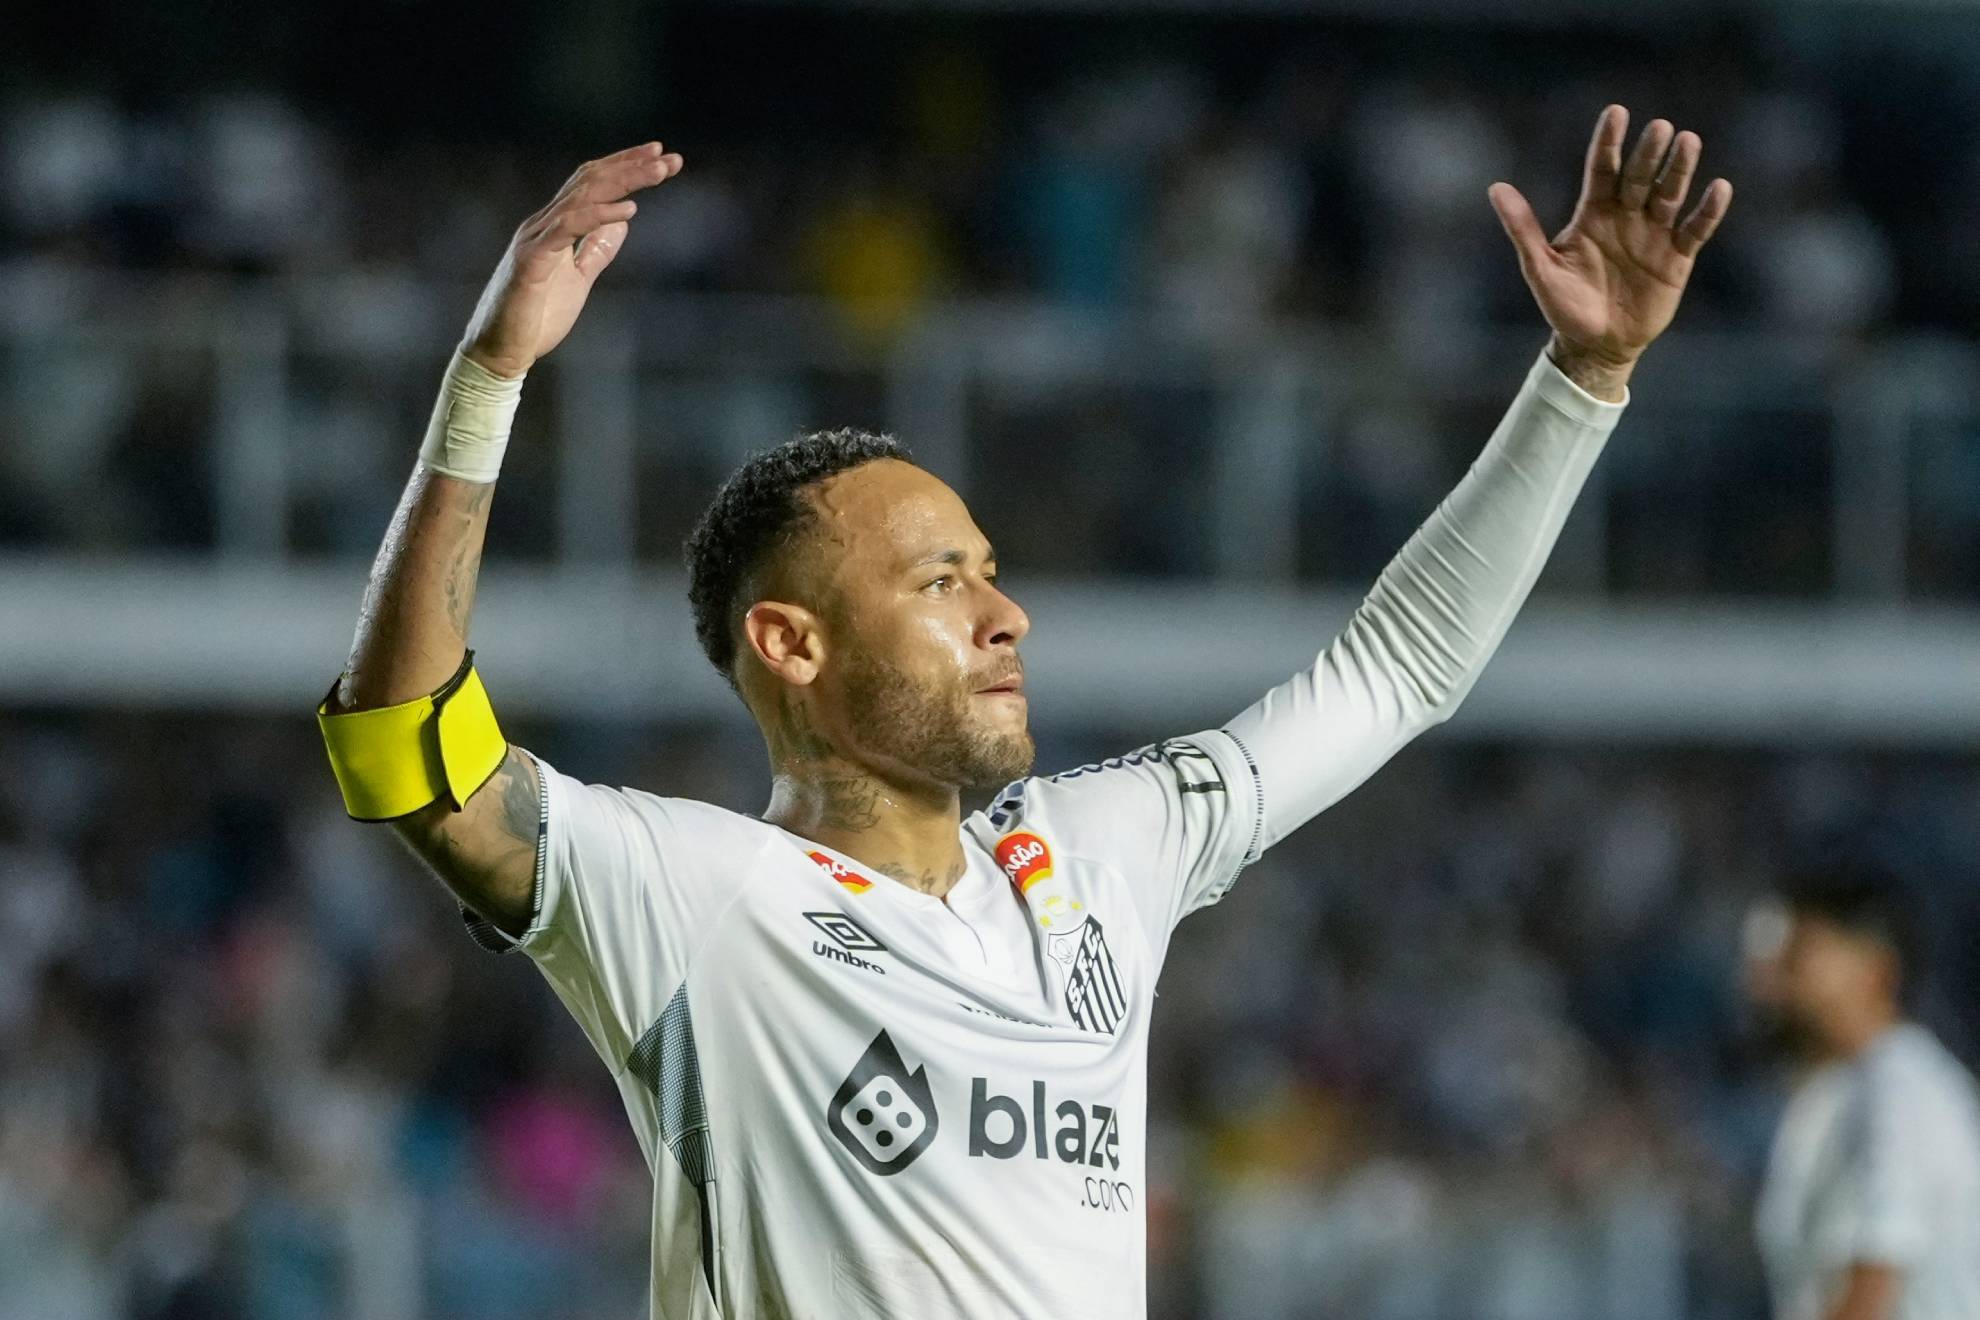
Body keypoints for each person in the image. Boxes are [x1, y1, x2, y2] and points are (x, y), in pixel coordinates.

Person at [316, 106, 1731, 1318]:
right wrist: (487, 385)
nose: (1008, 616)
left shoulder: (1099, 855)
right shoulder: (693, 899)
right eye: (943, 581)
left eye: (993, 573)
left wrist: (1581, 380)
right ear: (790, 643)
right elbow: (406, 746)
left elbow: (1397, 669)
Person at [1747, 868, 1980, 1320]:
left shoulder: (1903, 1090)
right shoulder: (1835, 1093)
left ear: (1875, 968)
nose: (1779, 980)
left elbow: (1877, 1280)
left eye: (1803, 954)